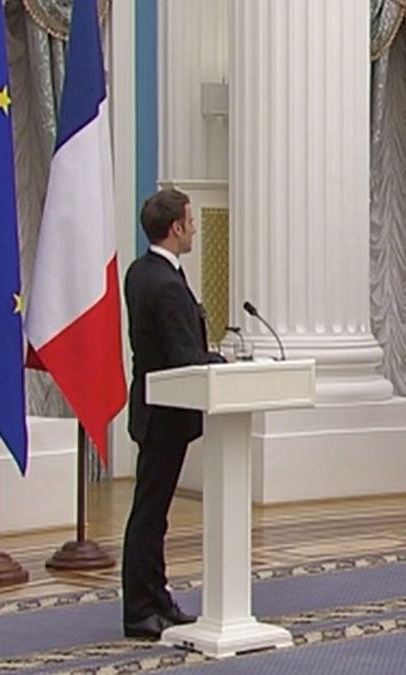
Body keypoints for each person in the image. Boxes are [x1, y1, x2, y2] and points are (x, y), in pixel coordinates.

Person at [122, 188, 226, 639]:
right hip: (165, 412)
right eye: (190, 220)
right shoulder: (164, 284)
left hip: (154, 408)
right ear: (176, 227)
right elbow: (183, 355)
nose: (195, 229)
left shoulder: (141, 270)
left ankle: (156, 599)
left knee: (152, 512)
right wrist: (221, 362)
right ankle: (141, 610)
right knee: (150, 514)